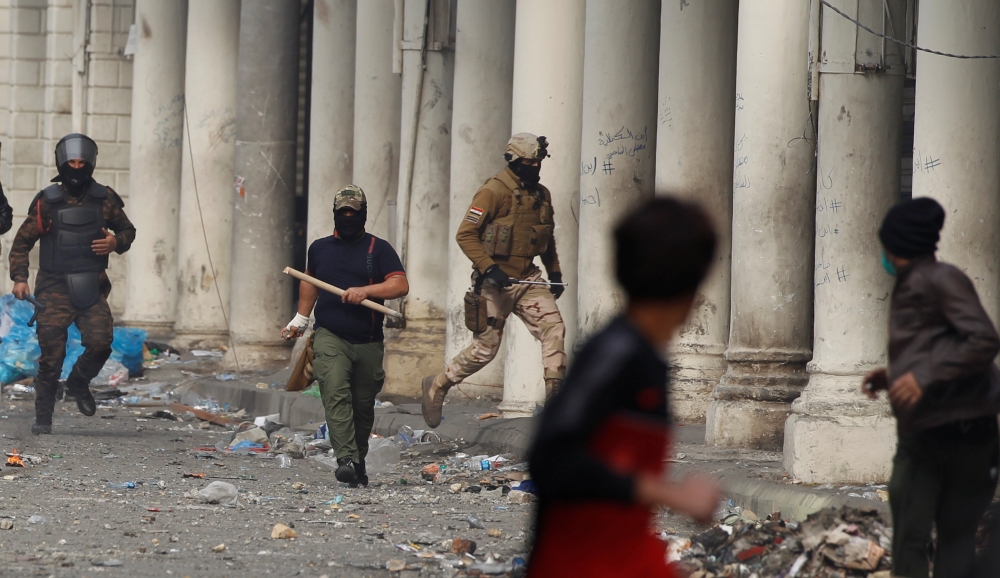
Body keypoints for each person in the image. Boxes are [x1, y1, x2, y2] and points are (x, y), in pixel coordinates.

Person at [526, 198, 720, 577]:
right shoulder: (616, 354)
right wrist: (669, 494)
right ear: (693, 284)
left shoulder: (646, 357)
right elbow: (551, 459)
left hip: (626, 558)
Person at [862, 197, 1000, 578]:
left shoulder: (940, 279)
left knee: (945, 537)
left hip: (953, 434)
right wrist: (893, 377)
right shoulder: (913, 284)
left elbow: (983, 340)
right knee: (913, 534)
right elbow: (937, 346)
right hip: (930, 428)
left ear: (893, 244)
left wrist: (923, 377)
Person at [422, 133, 566, 428]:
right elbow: (465, 234)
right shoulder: (493, 192)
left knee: (555, 329)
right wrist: (489, 268)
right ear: (513, 161)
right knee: (485, 350)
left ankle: (556, 401)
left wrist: (554, 272)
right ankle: (438, 384)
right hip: (494, 283)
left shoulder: (541, 195)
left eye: (538, 162)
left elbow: (545, 236)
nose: (535, 166)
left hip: (527, 279)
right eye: (528, 162)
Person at [9, 133, 136, 435]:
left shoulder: (105, 199)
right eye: (72, 162)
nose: (77, 168)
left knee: (101, 343)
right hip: (53, 289)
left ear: (90, 164)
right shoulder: (47, 202)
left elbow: (128, 232)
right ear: (62, 164)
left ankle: (79, 382)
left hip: (91, 286)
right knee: (51, 357)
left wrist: (115, 241)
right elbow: (21, 244)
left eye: (82, 162)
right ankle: (43, 418)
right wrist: (20, 278)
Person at [282, 185, 408, 487]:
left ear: (363, 213)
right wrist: (300, 320)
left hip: (368, 340)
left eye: (354, 212)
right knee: (335, 393)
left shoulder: (379, 249)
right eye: (343, 212)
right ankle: (346, 460)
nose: (348, 216)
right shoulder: (320, 248)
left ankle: (358, 462)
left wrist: (366, 291)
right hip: (330, 336)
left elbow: (399, 285)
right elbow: (309, 282)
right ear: (336, 215)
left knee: (362, 406)